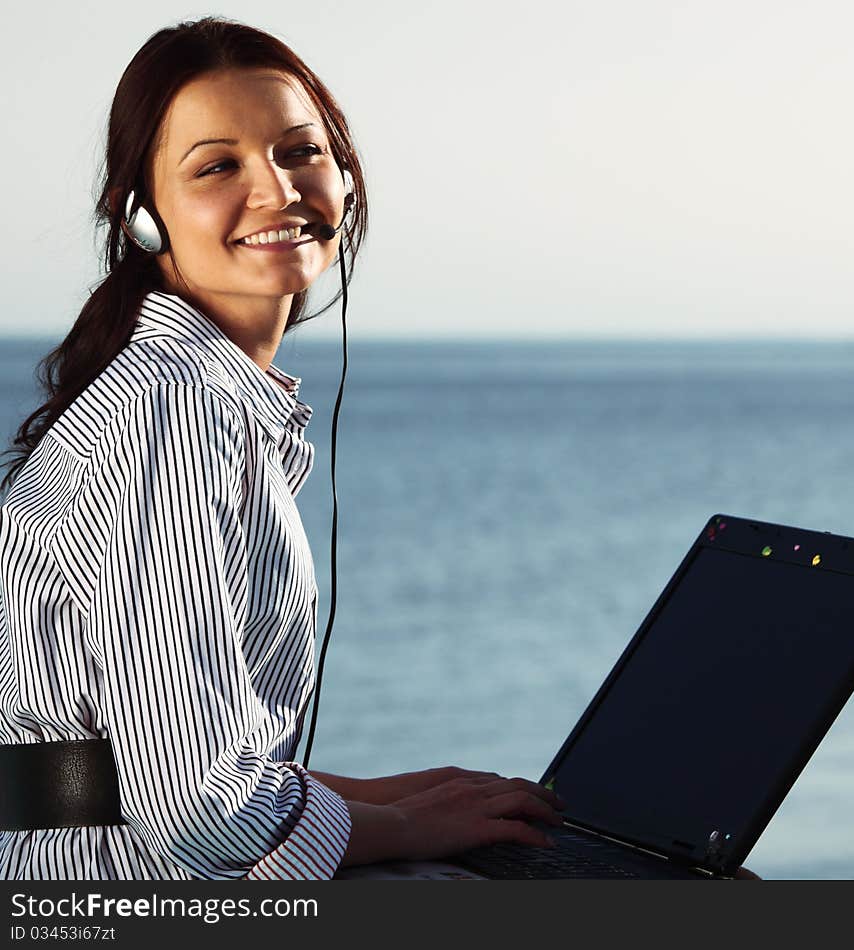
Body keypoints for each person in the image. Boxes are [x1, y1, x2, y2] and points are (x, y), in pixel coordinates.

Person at [0, 16, 566, 881]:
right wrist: (406, 832)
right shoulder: (173, 415)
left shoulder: (181, 394)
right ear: (142, 215)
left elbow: (131, 764)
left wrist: (376, 797)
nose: (277, 190)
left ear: (344, 177)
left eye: (301, 152)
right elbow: (197, 817)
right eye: (217, 166)